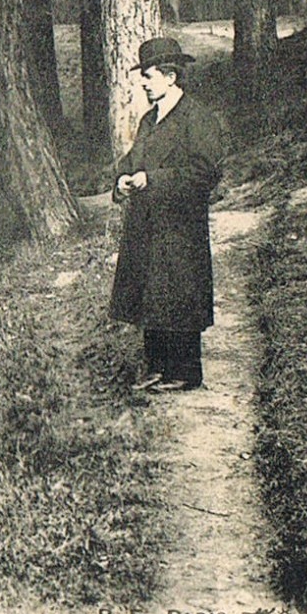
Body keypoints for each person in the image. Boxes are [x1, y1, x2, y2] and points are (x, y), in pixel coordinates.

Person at [109, 36, 225, 392]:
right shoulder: (148, 120)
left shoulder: (198, 119)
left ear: (171, 77)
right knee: (152, 293)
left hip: (180, 224)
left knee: (179, 294)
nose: (143, 82)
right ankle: (158, 368)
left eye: (148, 75)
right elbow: (131, 162)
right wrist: (123, 180)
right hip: (147, 221)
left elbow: (205, 173)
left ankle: (186, 373)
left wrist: (153, 180)